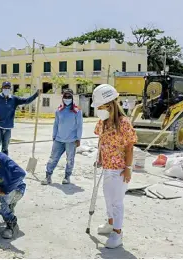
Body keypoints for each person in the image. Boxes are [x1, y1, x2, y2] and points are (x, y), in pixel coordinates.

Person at [92, 84, 137, 249]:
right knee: (108, 199)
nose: (98, 109)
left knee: (117, 202)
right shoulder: (102, 122)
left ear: (110, 105)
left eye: (100, 106)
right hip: (107, 168)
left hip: (119, 170)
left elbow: (129, 147)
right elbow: (101, 141)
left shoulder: (124, 123)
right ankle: (110, 224)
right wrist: (100, 158)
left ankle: (117, 234)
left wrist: (128, 168)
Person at [0, 81, 40, 155]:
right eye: (5, 87)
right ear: (2, 88)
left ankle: (4, 164)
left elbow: (26, 101)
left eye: (8, 88)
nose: (6, 89)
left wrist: (36, 94)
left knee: (5, 149)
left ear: (10, 89)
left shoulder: (14, 99)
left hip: (8, 128)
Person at [41, 88, 83, 185]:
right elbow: (56, 124)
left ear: (72, 98)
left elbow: (79, 126)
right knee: (53, 158)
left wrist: (78, 138)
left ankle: (67, 177)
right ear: (62, 98)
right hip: (58, 140)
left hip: (71, 140)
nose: (67, 98)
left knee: (70, 159)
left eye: (69, 96)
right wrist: (54, 136)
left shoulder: (77, 111)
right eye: (65, 96)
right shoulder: (59, 110)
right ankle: (48, 176)